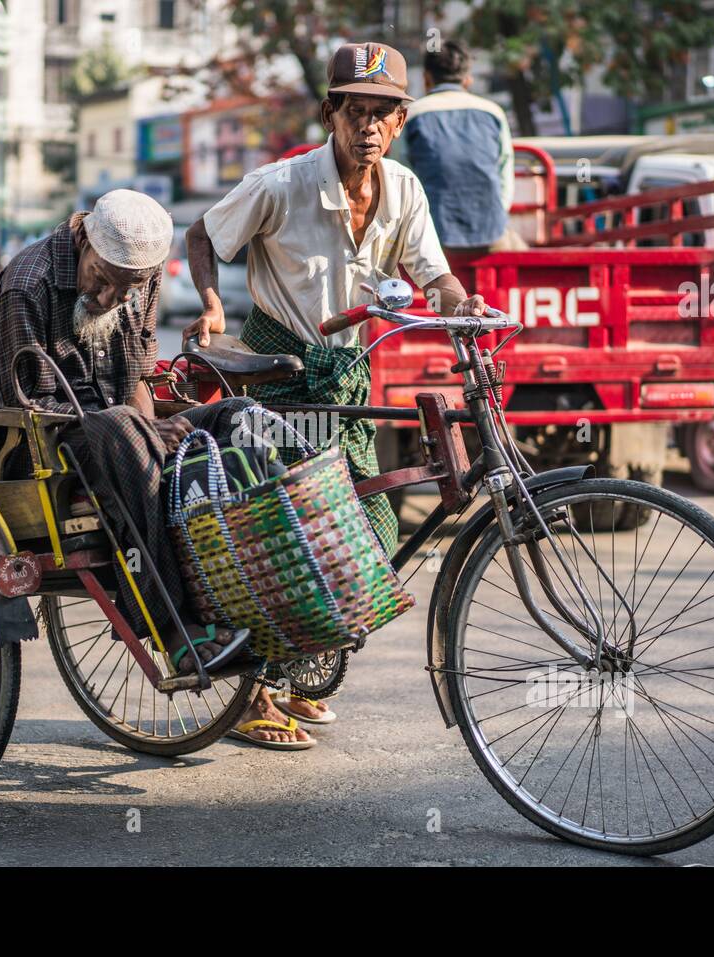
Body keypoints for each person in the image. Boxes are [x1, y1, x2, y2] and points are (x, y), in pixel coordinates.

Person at [182, 41, 490, 747]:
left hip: (349, 375)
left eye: (384, 114)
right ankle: (258, 689)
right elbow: (202, 234)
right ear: (331, 113)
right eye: (357, 111)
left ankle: (292, 670)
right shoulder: (283, 184)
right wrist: (210, 304)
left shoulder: (405, 190)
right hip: (277, 375)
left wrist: (459, 302)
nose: (369, 127)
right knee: (287, 535)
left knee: (372, 530)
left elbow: (434, 274)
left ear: (402, 120)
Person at [0, 189, 264, 691]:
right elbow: (28, 405)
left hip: (114, 432)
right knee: (123, 428)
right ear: (83, 239)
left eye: (127, 288)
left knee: (237, 417)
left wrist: (157, 433)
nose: (111, 298)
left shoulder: (140, 279)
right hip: (32, 445)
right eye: (102, 280)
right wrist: (138, 430)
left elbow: (137, 382)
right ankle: (169, 625)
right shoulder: (29, 283)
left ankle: (254, 596)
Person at [404, 39, 524, 255]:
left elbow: (401, 175)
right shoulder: (493, 112)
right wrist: (497, 213)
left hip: (431, 236)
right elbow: (505, 171)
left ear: (426, 78)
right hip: (491, 232)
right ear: (467, 80)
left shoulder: (410, 115)